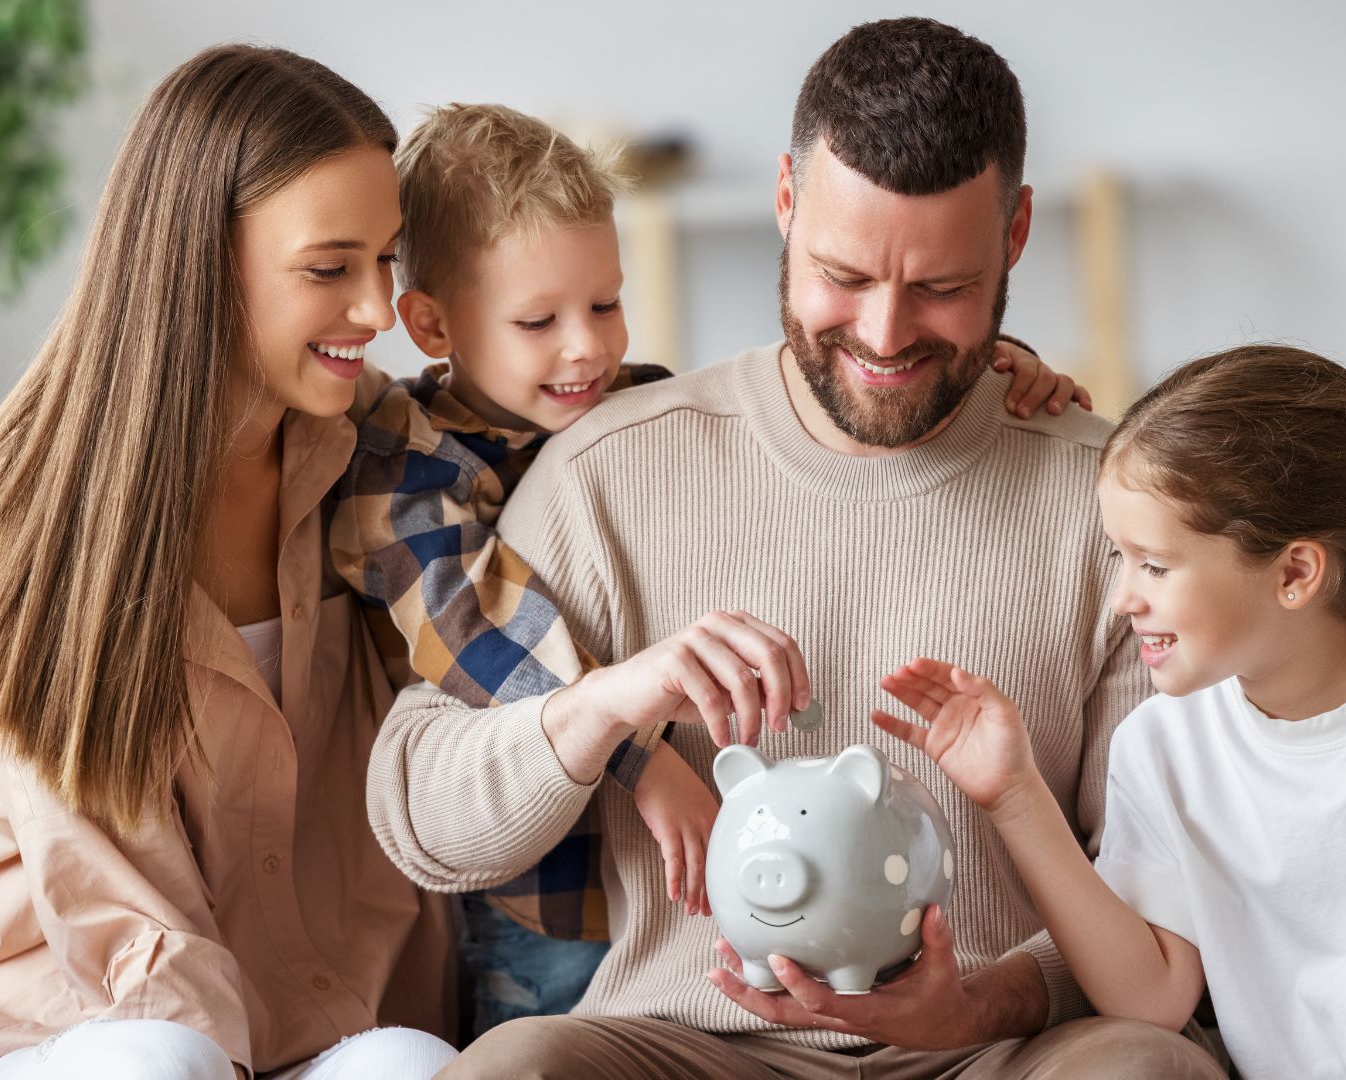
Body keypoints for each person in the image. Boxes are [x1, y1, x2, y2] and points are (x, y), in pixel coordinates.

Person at [368, 18, 1225, 1078]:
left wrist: (982, 1001)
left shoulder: (1110, 503)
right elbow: (423, 822)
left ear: (1014, 237)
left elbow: (1164, 891)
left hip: (1006, 1048)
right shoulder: (605, 467)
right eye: (844, 275)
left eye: (943, 290)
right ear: (785, 201)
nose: (882, 333)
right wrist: (605, 706)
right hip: (684, 1045)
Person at [0, 46, 457, 1079]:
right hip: (88, 1032)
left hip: (320, 1035)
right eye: (330, 269)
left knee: (407, 1066)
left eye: (387, 260)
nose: (378, 313)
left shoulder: (373, 452)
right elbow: (112, 913)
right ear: (199, 260)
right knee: (161, 1058)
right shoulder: (24, 523)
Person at [873, 344, 1346, 1078]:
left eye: (1156, 565)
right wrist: (1014, 795)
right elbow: (1152, 996)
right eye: (1119, 557)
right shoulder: (1163, 745)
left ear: (1296, 572)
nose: (1121, 601)